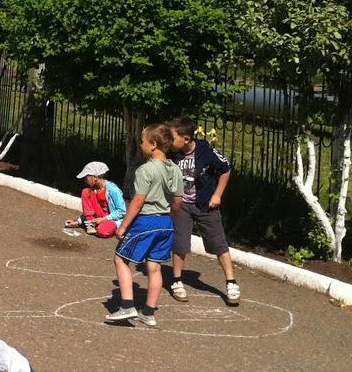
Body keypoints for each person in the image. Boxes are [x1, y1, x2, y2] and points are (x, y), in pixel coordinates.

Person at [104, 123, 184, 327]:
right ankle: (148, 312)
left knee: (120, 259)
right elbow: (178, 202)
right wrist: (171, 218)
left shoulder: (145, 169)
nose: (141, 145)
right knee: (154, 267)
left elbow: (138, 201)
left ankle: (127, 305)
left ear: (154, 145)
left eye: (143, 141)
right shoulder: (175, 169)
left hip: (146, 220)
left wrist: (122, 227)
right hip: (166, 221)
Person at [167, 117, 240, 306]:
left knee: (218, 243)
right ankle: (176, 281)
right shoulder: (171, 153)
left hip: (205, 204)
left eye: (172, 137)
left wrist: (217, 195)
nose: (169, 140)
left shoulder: (206, 151)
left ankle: (231, 283)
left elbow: (225, 169)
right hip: (182, 205)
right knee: (180, 242)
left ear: (186, 138)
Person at [64, 161, 126, 238]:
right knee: (86, 192)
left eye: (86, 178)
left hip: (113, 219)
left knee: (102, 231)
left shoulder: (113, 190)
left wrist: (104, 219)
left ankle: (101, 226)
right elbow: (90, 211)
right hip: (100, 217)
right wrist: (78, 221)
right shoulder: (93, 190)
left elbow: (122, 211)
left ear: (95, 177)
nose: (85, 180)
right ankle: (90, 224)